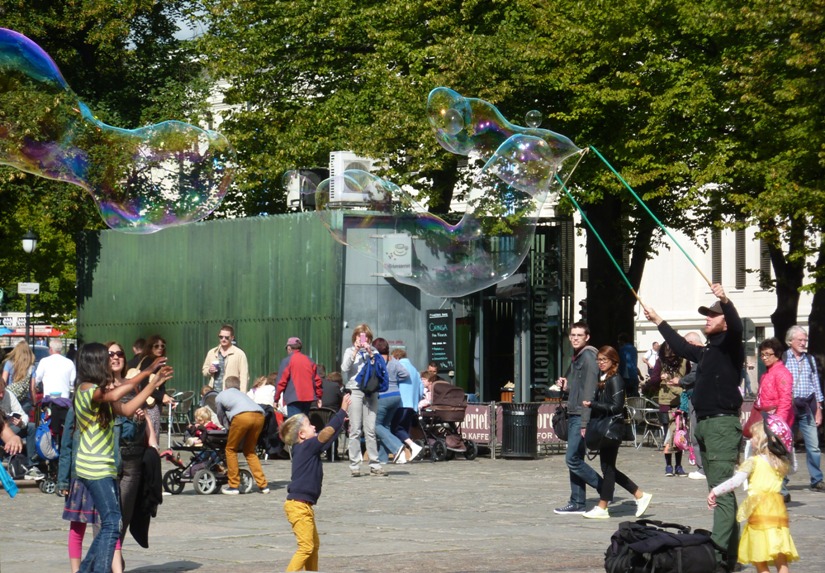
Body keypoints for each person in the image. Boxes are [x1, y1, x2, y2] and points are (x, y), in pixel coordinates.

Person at [645, 283, 744, 571]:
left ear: (724, 321)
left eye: (712, 316)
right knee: (720, 491)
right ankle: (729, 556)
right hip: (706, 425)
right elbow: (680, 346)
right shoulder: (707, 351)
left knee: (721, 493)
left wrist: (724, 299)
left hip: (721, 426)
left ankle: (720, 556)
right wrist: (658, 320)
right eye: (706, 316)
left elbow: (737, 324)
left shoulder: (731, 345)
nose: (706, 319)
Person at [72, 342, 171, 573]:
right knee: (112, 523)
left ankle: (87, 569)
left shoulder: (100, 393)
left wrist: (153, 384)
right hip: (94, 466)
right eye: (105, 357)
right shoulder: (88, 389)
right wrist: (147, 373)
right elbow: (118, 391)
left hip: (103, 466)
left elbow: (127, 409)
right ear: (95, 362)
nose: (110, 360)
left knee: (111, 523)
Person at [708, 416, 799, 573]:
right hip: (777, 511)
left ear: (765, 440)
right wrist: (789, 450)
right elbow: (794, 468)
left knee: (759, 554)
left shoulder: (754, 462)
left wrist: (715, 491)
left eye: (754, 437)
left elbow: (735, 482)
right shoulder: (780, 463)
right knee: (780, 553)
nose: (751, 440)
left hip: (760, 511)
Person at [279, 392, 351, 572]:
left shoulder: (304, 448)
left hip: (303, 506)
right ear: (302, 434)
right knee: (306, 547)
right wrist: (341, 412)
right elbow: (326, 434)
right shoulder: (306, 447)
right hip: (298, 507)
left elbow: (328, 438)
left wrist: (340, 423)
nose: (314, 426)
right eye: (310, 425)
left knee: (313, 546)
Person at [581, 346, 652, 519]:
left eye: (604, 360)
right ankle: (639, 495)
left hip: (612, 429)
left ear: (614, 361)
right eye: (599, 360)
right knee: (608, 467)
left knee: (608, 469)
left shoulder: (615, 379)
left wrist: (593, 405)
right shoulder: (604, 378)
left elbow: (616, 407)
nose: (601, 363)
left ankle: (603, 506)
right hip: (607, 428)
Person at [554, 322, 603, 515]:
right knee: (576, 458)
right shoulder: (578, 357)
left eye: (579, 335)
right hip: (575, 412)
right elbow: (580, 387)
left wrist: (584, 421)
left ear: (587, 337)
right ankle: (577, 501)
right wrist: (567, 386)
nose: (575, 338)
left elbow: (590, 390)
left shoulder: (589, 357)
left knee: (572, 459)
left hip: (580, 415)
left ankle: (603, 487)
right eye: (572, 335)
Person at [782, 325, 823, 492]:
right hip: (789, 409)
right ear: (790, 341)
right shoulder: (783, 358)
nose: (803, 343)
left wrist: (819, 409)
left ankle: (817, 479)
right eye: (800, 340)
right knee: (785, 445)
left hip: (806, 408)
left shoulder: (810, 360)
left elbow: (816, 385)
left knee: (813, 446)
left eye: (805, 340)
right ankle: (781, 480)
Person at [341, 323, 386, 478]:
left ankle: (375, 464)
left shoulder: (373, 352)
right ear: (355, 337)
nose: (363, 339)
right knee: (355, 429)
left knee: (371, 429)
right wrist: (355, 352)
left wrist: (371, 354)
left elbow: (381, 369)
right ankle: (355, 465)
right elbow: (345, 368)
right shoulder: (349, 351)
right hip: (355, 390)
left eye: (366, 336)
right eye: (360, 336)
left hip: (371, 392)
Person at [215, 376, 269, 494]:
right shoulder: (243, 395)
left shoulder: (221, 396)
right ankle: (263, 485)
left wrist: (227, 427)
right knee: (250, 451)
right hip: (260, 416)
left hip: (242, 417)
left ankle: (234, 485)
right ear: (238, 387)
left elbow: (220, 415)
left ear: (225, 386)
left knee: (230, 449)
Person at [130, 334, 173, 440]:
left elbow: (161, 386)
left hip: (154, 404)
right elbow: (145, 385)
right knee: (151, 434)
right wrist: (162, 396)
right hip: (148, 405)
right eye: (156, 346)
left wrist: (168, 398)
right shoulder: (149, 361)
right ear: (150, 347)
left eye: (162, 346)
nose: (160, 348)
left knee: (154, 433)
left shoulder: (159, 362)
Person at [657, 342, 688, 477]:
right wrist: (658, 378)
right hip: (665, 403)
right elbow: (653, 380)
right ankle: (668, 465)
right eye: (667, 357)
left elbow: (688, 379)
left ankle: (679, 465)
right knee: (668, 435)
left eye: (673, 356)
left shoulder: (684, 362)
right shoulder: (660, 362)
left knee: (679, 434)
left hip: (680, 402)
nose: (670, 359)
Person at [680, 332, 706, 480]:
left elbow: (695, 376)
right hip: (701, 398)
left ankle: (702, 468)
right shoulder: (705, 354)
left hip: (697, 398)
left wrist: (680, 381)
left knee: (697, 434)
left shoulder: (700, 356)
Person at [275, 337, 323, 417]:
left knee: (296, 425)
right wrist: (319, 397)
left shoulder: (287, 361)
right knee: (304, 423)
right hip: (308, 398)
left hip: (293, 398)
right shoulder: (310, 360)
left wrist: (276, 399)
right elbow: (317, 381)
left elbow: (281, 382)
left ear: (289, 348)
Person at [202, 324, 249, 392]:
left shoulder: (239, 354)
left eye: (226, 337)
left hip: (231, 393)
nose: (223, 339)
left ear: (232, 338)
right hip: (214, 392)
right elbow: (204, 370)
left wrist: (242, 394)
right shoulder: (212, 352)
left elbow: (244, 377)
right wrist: (209, 370)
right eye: (221, 337)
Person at [2, 340, 36, 413]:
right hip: (25, 400)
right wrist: (34, 403)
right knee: (23, 421)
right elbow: (32, 388)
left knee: (10, 421)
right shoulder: (31, 367)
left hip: (10, 398)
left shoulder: (9, 363)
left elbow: (3, 381)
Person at [617, 333, 640, 397]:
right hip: (634, 375)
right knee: (634, 396)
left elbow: (622, 363)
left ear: (621, 341)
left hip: (626, 376)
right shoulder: (634, 348)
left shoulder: (622, 349)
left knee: (626, 396)